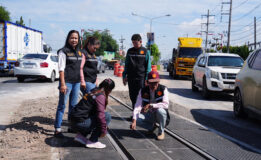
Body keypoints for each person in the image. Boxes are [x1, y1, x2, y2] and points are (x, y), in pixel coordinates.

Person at [69, 78, 115, 149]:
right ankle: (93, 141)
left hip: (73, 121)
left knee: (94, 115)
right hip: (79, 123)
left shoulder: (94, 90)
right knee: (107, 116)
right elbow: (101, 116)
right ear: (109, 90)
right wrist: (103, 131)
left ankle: (81, 136)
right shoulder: (101, 96)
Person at [54, 30, 82, 138]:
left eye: (76, 38)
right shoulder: (63, 51)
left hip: (76, 83)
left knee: (73, 107)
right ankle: (57, 129)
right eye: (72, 38)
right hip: (67, 83)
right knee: (62, 106)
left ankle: (71, 126)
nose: (74, 40)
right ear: (68, 38)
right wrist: (62, 84)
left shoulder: (79, 52)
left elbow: (80, 68)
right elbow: (61, 69)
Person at [130, 71, 170, 140]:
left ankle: (161, 132)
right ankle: (151, 127)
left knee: (161, 111)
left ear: (158, 82)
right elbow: (137, 105)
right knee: (137, 119)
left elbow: (165, 105)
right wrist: (134, 120)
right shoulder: (142, 91)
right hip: (149, 114)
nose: (154, 85)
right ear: (147, 82)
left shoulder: (163, 89)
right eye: (151, 83)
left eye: (156, 82)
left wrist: (151, 105)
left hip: (159, 115)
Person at [123, 34, 151, 110]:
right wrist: (124, 76)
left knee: (141, 96)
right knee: (132, 96)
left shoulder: (145, 52)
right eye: (133, 43)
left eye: (136, 43)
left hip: (141, 78)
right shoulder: (130, 51)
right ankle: (134, 114)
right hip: (131, 78)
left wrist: (146, 79)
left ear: (140, 41)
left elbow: (148, 67)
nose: (134, 45)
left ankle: (140, 115)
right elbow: (126, 64)